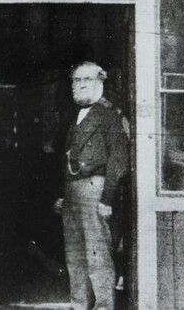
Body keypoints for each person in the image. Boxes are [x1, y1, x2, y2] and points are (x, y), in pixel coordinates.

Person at [53, 61, 130, 310]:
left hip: (95, 189)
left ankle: (104, 306)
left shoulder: (110, 116)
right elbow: (67, 158)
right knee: (74, 254)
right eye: (77, 80)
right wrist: (62, 194)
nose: (81, 84)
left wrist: (107, 199)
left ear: (100, 82)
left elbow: (118, 161)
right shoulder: (75, 115)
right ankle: (79, 304)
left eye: (87, 79)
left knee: (97, 254)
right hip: (73, 190)